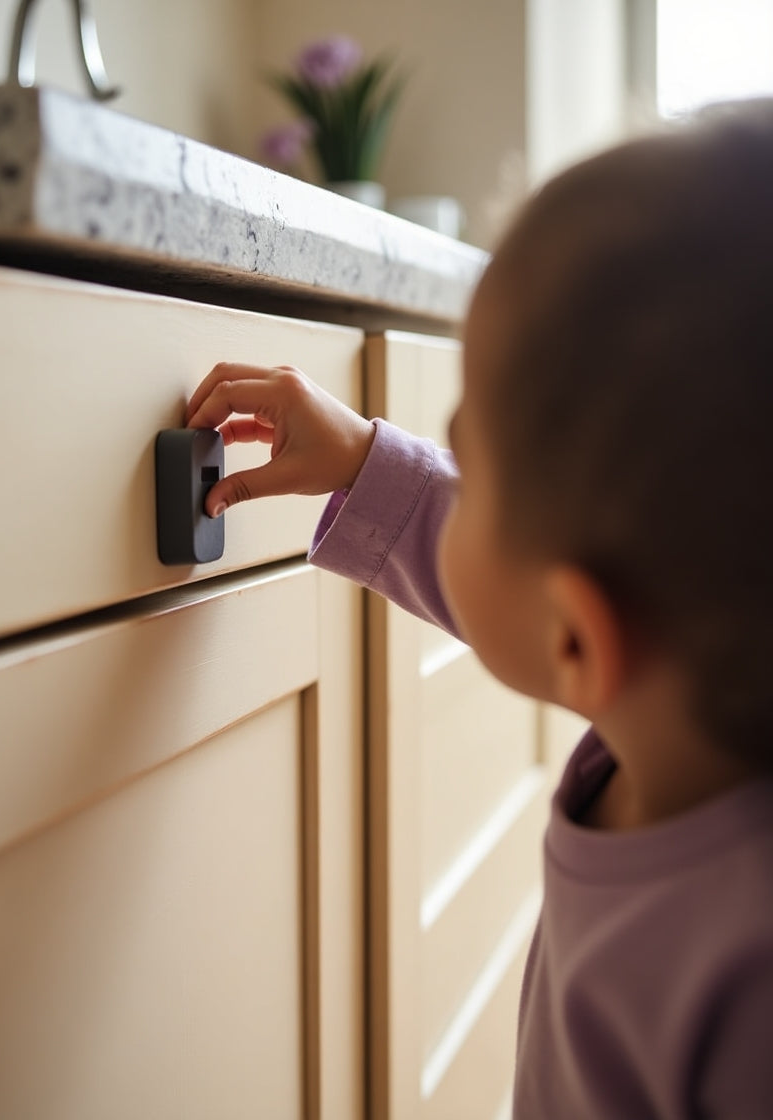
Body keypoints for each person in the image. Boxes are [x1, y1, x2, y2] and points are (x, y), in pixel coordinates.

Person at [185, 101, 773, 1118]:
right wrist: (370, 466)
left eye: (473, 452)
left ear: (580, 637)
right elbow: (536, 585)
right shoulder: (692, 709)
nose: (458, 475)